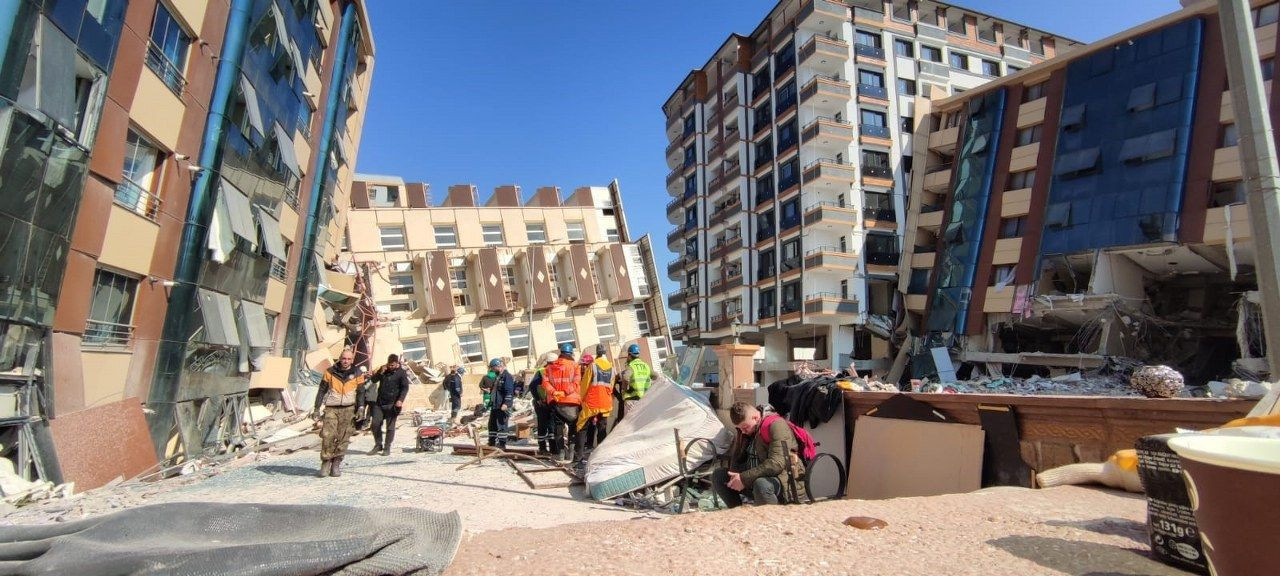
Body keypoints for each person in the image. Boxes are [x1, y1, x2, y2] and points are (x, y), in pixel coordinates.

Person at [710, 402, 806, 507]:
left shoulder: (777, 425)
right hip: (754, 478)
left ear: (755, 417)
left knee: (761, 485)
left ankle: (770, 519)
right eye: (740, 429)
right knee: (719, 476)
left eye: (745, 427)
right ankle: (737, 512)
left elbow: (776, 464)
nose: (743, 431)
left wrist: (743, 478)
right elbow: (738, 458)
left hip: (784, 481)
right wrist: (735, 477)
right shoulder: (748, 430)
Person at [312, 347, 372, 478]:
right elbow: (322, 390)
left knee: (344, 437)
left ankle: (336, 463)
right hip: (332, 408)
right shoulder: (330, 372)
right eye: (344, 358)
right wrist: (316, 408)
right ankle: (326, 462)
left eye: (349, 359)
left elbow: (361, 392)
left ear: (352, 360)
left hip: (349, 408)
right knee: (328, 435)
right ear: (340, 358)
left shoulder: (357, 373)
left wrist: (361, 408)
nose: (346, 361)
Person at [544, 343, 582, 462]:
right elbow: (575, 383)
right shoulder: (575, 366)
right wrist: (564, 392)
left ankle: (561, 454)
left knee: (558, 428)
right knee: (573, 428)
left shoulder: (549, 367)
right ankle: (570, 454)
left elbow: (545, 383)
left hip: (556, 402)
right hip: (572, 401)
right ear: (570, 354)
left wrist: (554, 392)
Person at [366, 354, 410, 456]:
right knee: (375, 424)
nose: (390, 367)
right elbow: (373, 380)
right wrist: (380, 372)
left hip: (393, 404)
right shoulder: (383, 370)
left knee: (390, 427)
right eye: (389, 365)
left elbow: (405, 388)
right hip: (380, 402)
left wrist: (400, 400)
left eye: (393, 365)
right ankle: (378, 445)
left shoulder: (401, 373)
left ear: (397, 363)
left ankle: (387, 447)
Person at [575, 346, 614, 461]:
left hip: (592, 402)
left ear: (597, 354)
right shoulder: (612, 367)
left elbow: (584, 385)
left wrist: (581, 401)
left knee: (581, 427)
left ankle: (578, 458)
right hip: (606, 402)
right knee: (602, 428)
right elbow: (611, 387)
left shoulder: (593, 366)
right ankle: (602, 457)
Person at [527, 352, 559, 455]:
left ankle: (553, 448)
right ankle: (543, 448)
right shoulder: (541, 371)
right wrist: (538, 399)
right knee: (543, 425)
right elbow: (532, 386)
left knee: (551, 425)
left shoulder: (553, 371)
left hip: (550, 402)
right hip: (542, 403)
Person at [614, 343, 652, 422]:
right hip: (644, 399)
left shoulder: (631, 366)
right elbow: (656, 376)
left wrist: (624, 391)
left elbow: (625, 377)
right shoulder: (646, 366)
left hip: (632, 399)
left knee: (629, 424)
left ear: (629, 355)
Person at [486, 358, 515, 449]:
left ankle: (502, 444)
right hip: (495, 405)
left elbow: (509, 391)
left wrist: (506, 403)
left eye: (493, 368)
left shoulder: (507, 376)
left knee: (502, 425)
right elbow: (495, 390)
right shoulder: (498, 377)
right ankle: (491, 442)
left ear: (499, 366)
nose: (492, 370)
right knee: (492, 424)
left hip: (502, 405)